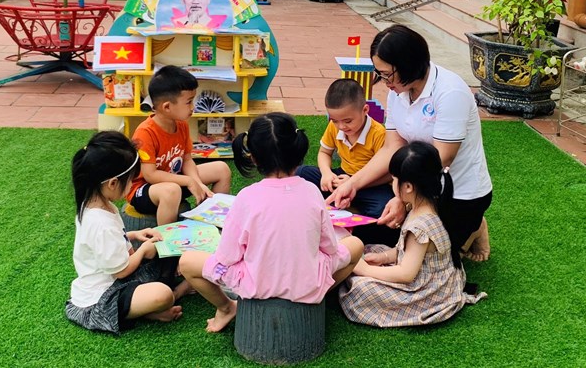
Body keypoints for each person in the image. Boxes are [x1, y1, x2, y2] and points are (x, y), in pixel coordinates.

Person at [178, 112, 365, 333]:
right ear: (297, 151)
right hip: (308, 284)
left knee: (187, 261)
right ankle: (318, 296)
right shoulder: (312, 191)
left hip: (254, 286)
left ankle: (226, 307)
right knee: (355, 245)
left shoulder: (247, 197)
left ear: (254, 158)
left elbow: (227, 257)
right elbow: (330, 247)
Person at [327, 24, 493, 261]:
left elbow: (440, 160)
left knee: (423, 259)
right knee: (380, 231)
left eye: (387, 74)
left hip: (457, 194)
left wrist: (403, 200)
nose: (384, 81)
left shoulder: (450, 92)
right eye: (379, 74)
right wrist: (353, 184)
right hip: (414, 184)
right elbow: (391, 147)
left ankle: (475, 225)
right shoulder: (398, 91)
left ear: (408, 65)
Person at [339, 141, 485, 327]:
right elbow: (407, 250)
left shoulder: (420, 226)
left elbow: (406, 274)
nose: (393, 184)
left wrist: (365, 270)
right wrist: (384, 257)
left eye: (394, 179)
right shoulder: (429, 203)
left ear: (408, 187)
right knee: (369, 250)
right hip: (429, 271)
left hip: (426, 289)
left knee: (361, 288)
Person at [65, 131, 190, 334]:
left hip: (117, 279)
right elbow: (121, 271)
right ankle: (161, 302)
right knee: (163, 294)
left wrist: (134, 234)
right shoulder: (100, 223)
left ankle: (147, 308)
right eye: (131, 180)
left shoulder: (97, 205)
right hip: (102, 298)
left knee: (167, 253)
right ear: (113, 183)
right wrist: (143, 251)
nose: (132, 185)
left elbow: (108, 241)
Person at [127, 65, 232, 224]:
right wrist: (189, 182)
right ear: (167, 107)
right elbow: (150, 175)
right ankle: (168, 237)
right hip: (145, 190)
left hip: (175, 179)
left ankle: (212, 222)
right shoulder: (145, 132)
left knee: (221, 169)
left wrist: (197, 182)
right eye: (188, 102)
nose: (193, 107)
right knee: (172, 191)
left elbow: (187, 160)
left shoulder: (181, 124)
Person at [296, 78, 393, 217]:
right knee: (301, 173)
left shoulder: (378, 134)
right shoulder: (334, 127)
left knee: (382, 209)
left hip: (370, 184)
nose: (341, 126)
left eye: (348, 121)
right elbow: (324, 152)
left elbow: (387, 174)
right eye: (335, 120)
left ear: (365, 110)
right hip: (341, 177)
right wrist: (327, 174)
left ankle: (353, 217)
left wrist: (354, 184)